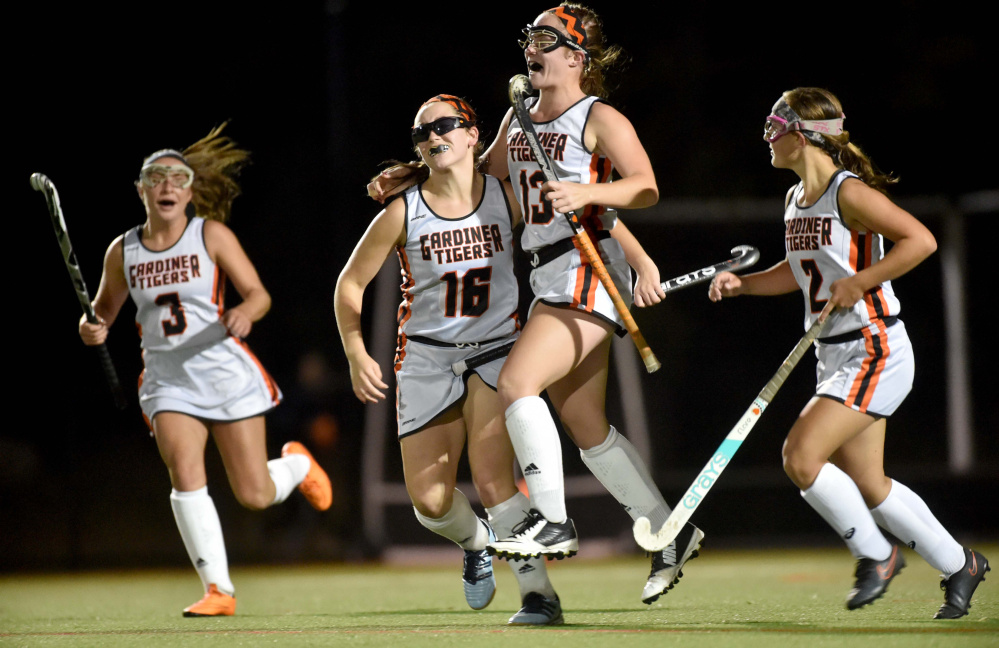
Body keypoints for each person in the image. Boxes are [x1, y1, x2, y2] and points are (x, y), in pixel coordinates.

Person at [368, 3, 704, 607]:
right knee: (585, 425)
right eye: (529, 39)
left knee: (518, 383)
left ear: (576, 56)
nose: (532, 48)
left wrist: (594, 196)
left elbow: (643, 186)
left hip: (586, 269)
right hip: (549, 273)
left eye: (546, 40)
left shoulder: (598, 117)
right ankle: (671, 532)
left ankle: (552, 519)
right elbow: (482, 175)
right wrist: (408, 177)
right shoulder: (517, 118)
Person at [708, 87, 989, 618]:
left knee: (801, 455)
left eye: (775, 123)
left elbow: (921, 240)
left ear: (804, 133)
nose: (767, 133)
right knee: (871, 484)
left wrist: (862, 280)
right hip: (835, 354)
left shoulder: (848, 193)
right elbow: (798, 275)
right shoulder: (794, 200)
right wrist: (743, 285)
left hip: (874, 347)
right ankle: (960, 564)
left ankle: (876, 556)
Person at [79, 124, 333, 617]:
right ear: (141, 189)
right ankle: (219, 589)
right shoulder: (122, 251)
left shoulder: (209, 235)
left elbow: (259, 295)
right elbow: (101, 315)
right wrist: (90, 329)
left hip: (223, 372)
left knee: (255, 493)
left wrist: (244, 312)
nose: (168, 185)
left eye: (178, 177)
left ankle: (298, 464)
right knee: (185, 471)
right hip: (166, 380)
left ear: (191, 190)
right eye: (157, 177)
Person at [336, 95, 564, 625]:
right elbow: (350, 283)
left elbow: (576, 223)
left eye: (444, 125)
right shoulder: (403, 210)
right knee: (432, 502)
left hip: (495, 352)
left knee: (493, 482)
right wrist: (353, 349)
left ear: (471, 135)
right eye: (422, 132)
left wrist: (632, 264)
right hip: (426, 359)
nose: (433, 136)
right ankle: (476, 541)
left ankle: (539, 597)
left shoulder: (506, 197)